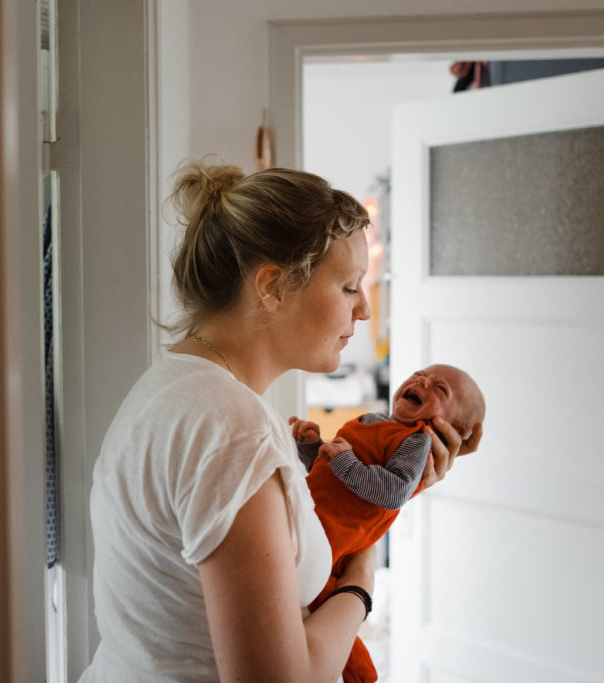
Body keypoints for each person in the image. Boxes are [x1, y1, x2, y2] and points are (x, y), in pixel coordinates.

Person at [80, 161, 480, 682]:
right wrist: (359, 585)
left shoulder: (177, 387)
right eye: (348, 286)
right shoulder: (231, 430)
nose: (362, 310)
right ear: (272, 287)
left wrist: (387, 496)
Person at [289, 364, 486, 683]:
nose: (421, 381)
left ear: (454, 426)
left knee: (321, 607)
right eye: (419, 375)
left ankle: (363, 676)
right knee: (320, 607)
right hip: (313, 519)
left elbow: (392, 491)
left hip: (329, 537)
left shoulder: (417, 440)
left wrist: (342, 459)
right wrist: (313, 448)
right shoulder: (372, 421)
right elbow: (334, 478)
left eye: (440, 389)